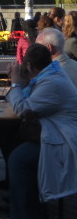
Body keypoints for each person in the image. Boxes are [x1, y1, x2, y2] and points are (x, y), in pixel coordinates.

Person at [7, 44, 77, 218]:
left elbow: (23, 108)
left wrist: (15, 84)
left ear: (30, 66)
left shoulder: (52, 82)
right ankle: (26, 204)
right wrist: (22, 81)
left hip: (62, 139)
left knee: (18, 159)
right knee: (6, 137)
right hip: (52, 131)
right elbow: (28, 98)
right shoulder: (51, 75)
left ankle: (25, 212)